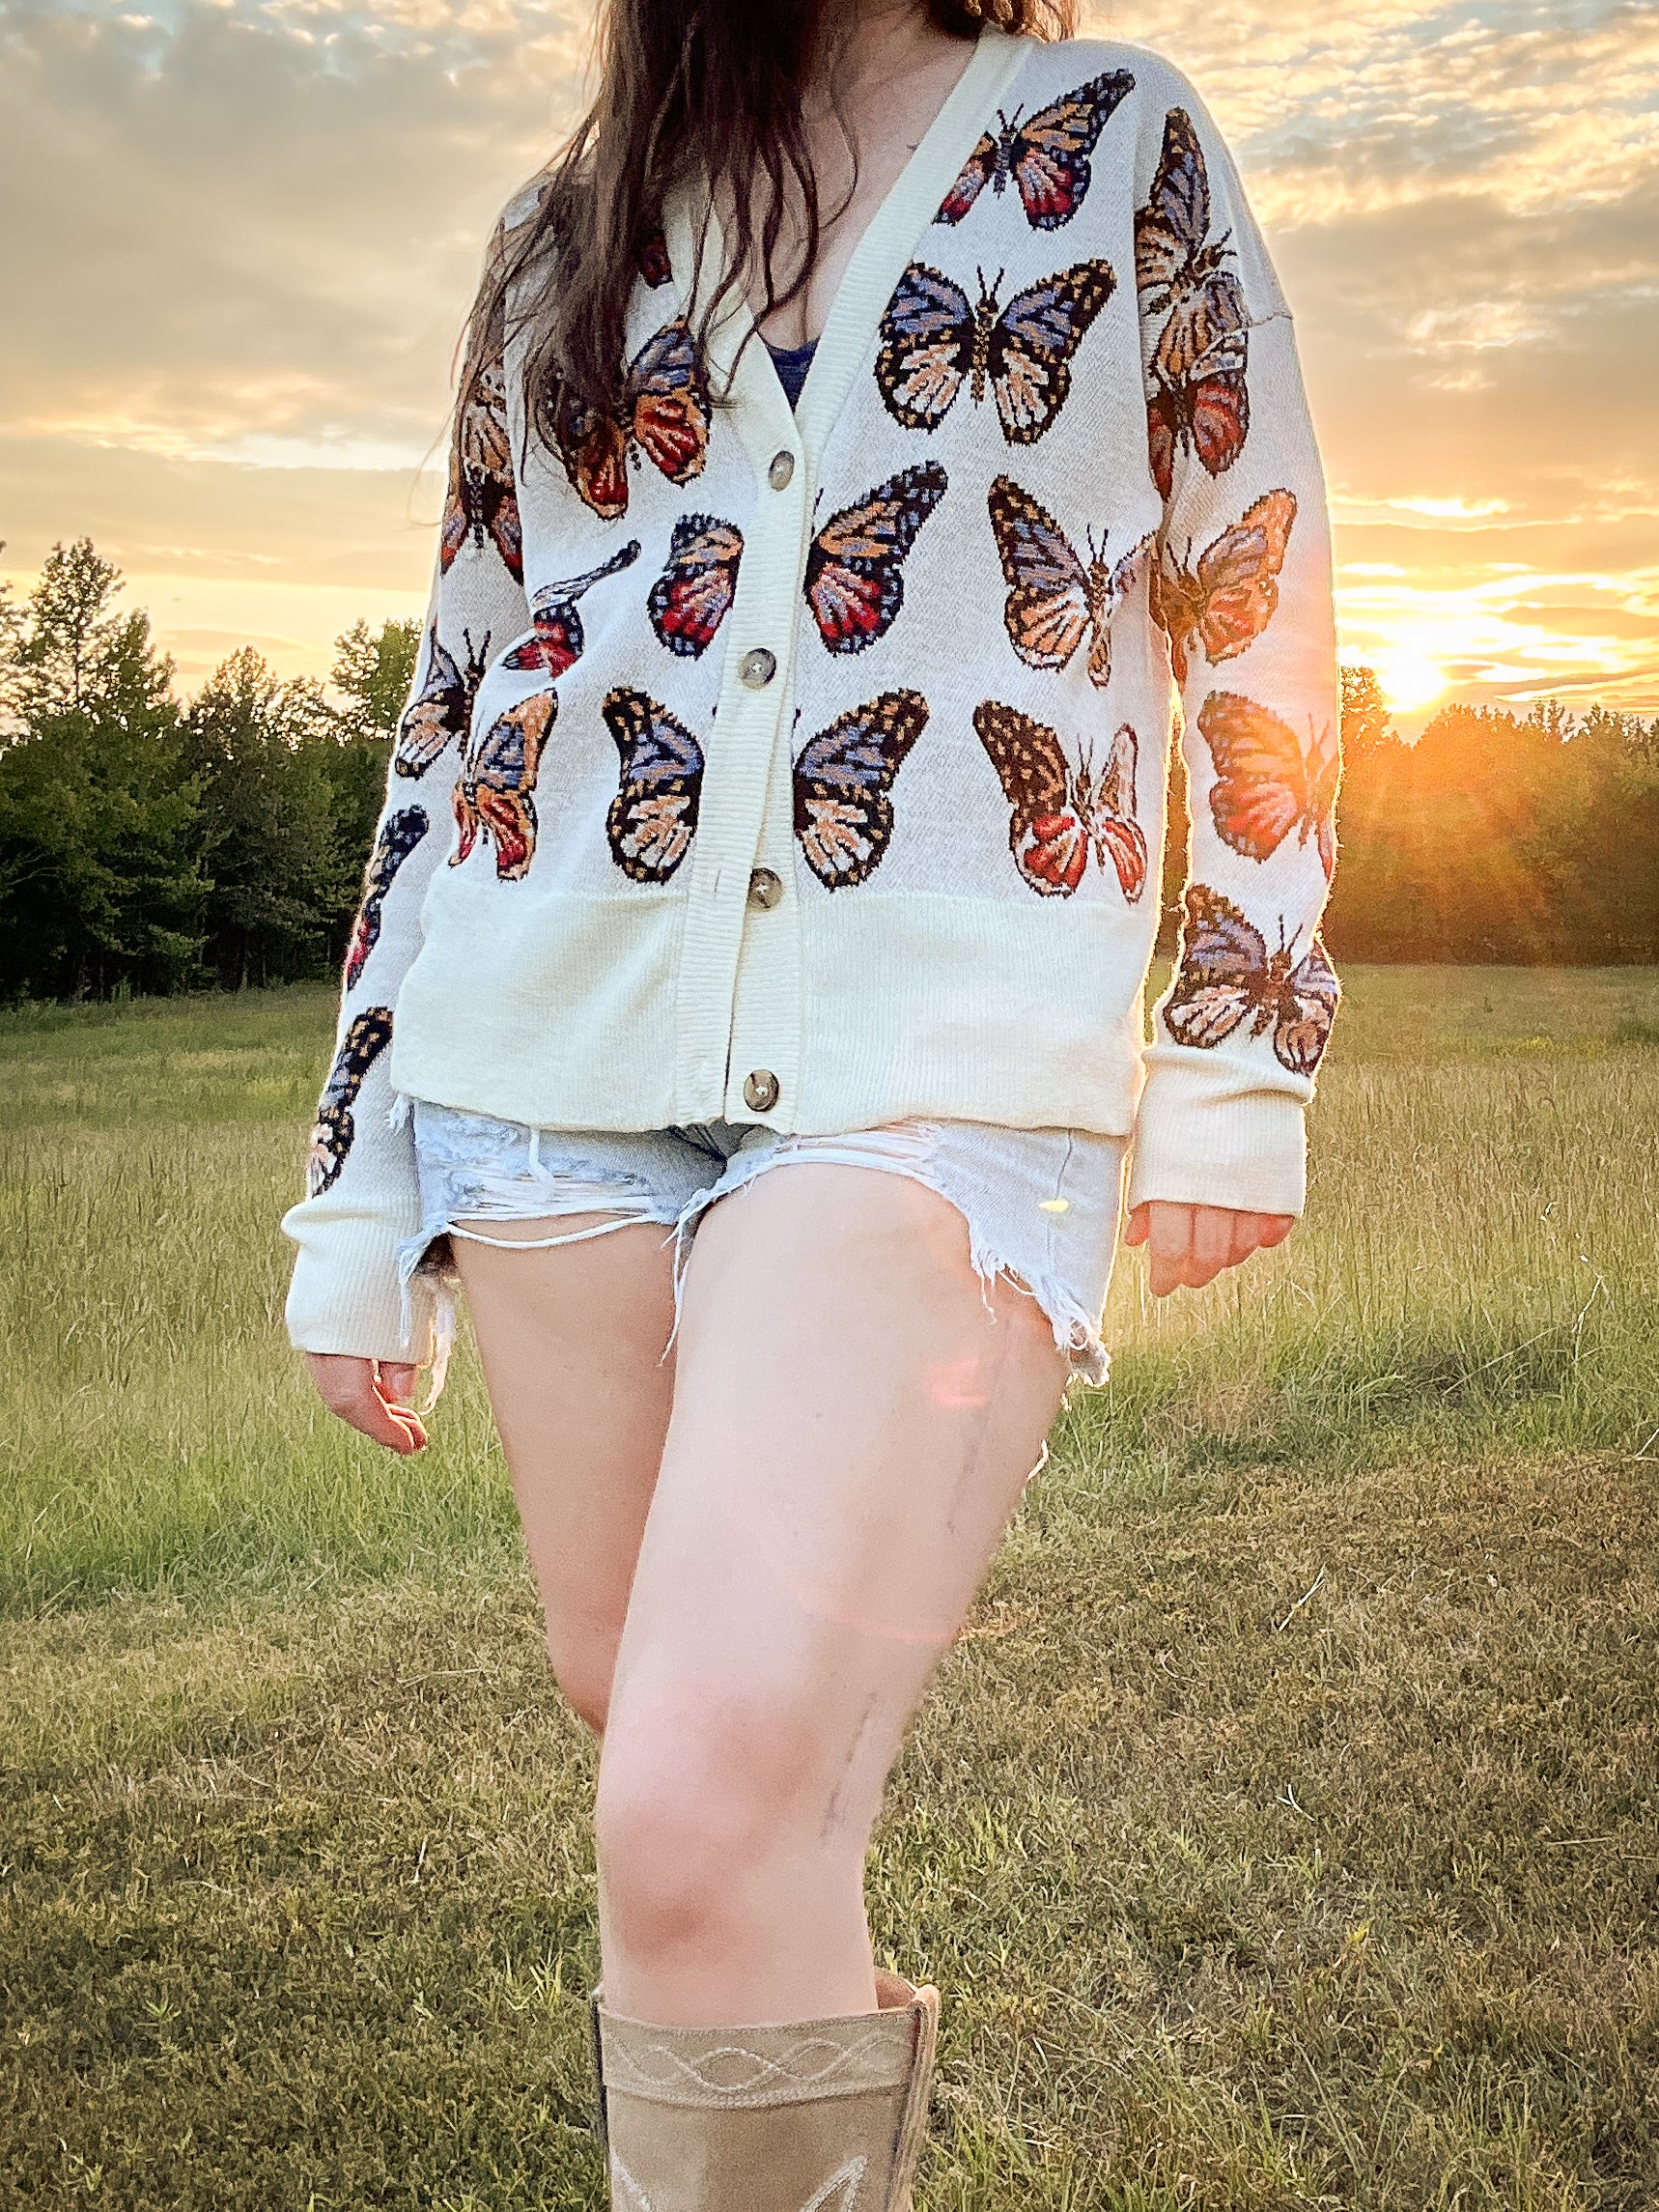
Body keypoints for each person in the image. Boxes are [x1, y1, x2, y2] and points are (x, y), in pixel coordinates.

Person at [283, 0, 1340, 2199]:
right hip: (538, 1062)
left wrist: (1242, 1041)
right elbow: (458, 693)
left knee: (694, 1796)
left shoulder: (1103, 139)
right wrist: (356, 1180)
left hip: (935, 1057)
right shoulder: (558, 236)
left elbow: (1252, 580)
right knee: (718, 1784)